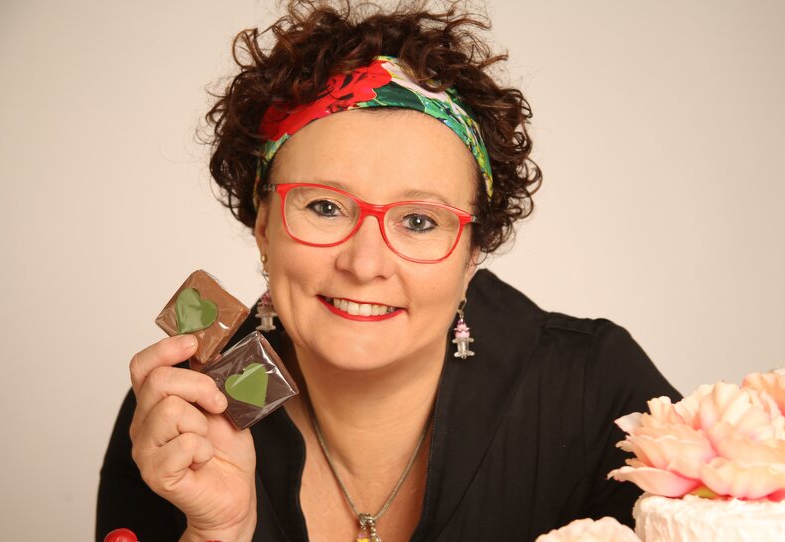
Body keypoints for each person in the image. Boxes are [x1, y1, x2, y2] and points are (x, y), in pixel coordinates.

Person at [96, 2, 679, 540]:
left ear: (474, 249)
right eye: (324, 207)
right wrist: (216, 534)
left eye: (420, 221)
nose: (365, 263)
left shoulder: (597, 391)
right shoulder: (186, 407)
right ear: (264, 226)